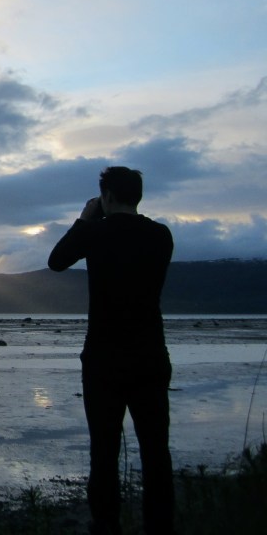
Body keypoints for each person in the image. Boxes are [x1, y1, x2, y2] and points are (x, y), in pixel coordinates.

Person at [48, 166, 175, 535]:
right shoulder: (161, 235)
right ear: (137, 195)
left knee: (103, 452)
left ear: (107, 196)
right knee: (156, 450)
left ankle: (105, 526)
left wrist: (84, 220)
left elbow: (57, 261)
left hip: (104, 358)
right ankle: (160, 528)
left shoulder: (95, 233)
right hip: (150, 354)